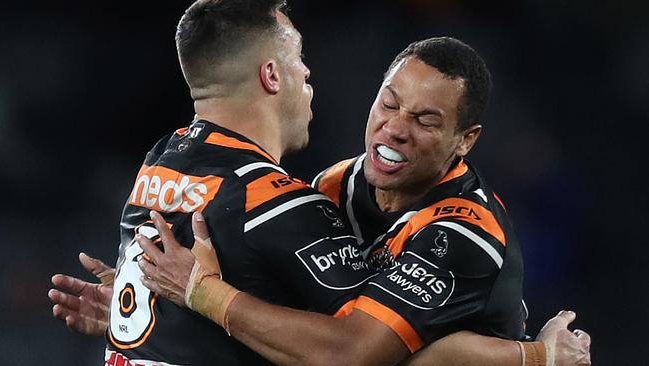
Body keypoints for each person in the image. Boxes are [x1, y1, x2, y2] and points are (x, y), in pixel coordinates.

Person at [47, 0, 591, 365]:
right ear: (272, 75)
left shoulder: (163, 159)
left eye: (426, 121)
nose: (395, 128)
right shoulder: (303, 198)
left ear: (465, 140)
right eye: (389, 103)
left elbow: (356, 352)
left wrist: (178, 304)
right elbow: (333, 344)